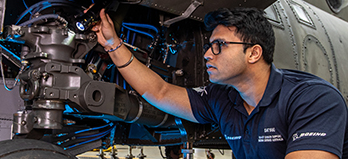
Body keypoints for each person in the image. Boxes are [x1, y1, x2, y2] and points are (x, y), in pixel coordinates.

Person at [92, 7, 348, 159]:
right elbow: (159, 91)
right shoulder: (222, 97)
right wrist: (113, 45)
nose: (206, 54)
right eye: (209, 45)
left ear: (254, 53)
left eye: (219, 46)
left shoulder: (313, 99)